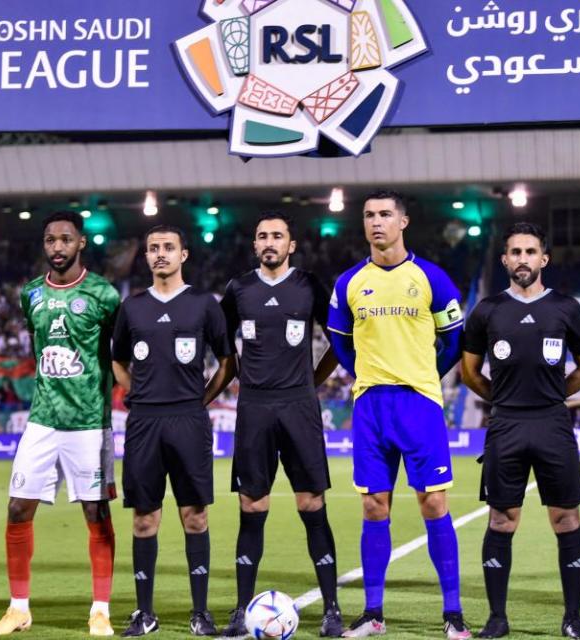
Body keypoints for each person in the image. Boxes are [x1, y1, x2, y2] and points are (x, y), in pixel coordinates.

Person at [327, 190, 471, 639]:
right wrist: (367, 374)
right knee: (373, 505)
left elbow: (452, 341)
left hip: (420, 404)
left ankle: (452, 614)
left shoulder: (431, 277)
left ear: (403, 222)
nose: (376, 222)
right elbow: (340, 343)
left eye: (385, 214)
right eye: (369, 215)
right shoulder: (349, 282)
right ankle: (373, 613)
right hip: (371, 405)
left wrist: (425, 374)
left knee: (434, 502)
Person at [460, 222, 580, 639]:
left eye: (530, 251)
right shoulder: (487, 310)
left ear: (544, 259)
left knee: (566, 517)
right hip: (506, 425)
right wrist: (502, 400)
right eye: (515, 252)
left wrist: (554, 394)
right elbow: (468, 372)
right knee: (502, 519)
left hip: (553, 422)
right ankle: (497, 619)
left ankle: (573, 618)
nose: (522, 259)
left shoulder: (566, 309)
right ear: (505, 259)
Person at [0, 211, 121, 636]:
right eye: (50, 240)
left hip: (89, 422)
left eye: (66, 239)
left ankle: (100, 609)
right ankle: (18, 608)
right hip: (42, 419)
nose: (57, 247)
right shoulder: (31, 295)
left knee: (96, 513)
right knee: (17, 507)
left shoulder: (103, 294)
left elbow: (119, 351)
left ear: (81, 243)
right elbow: (40, 343)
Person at [217, 212, 343, 637]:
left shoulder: (309, 285)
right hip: (254, 408)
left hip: (299, 407)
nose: (269, 242)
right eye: (262, 236)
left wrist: (312, 379)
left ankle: (331, 609)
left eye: (277, 236)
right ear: (255, 245)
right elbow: (221, 346)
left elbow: (340, 341)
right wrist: (241, 375)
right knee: (252, 507)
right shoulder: (238, 289)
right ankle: (240, 609)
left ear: (291, 245)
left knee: (312, 505)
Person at [111, 225, 235, 637]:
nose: (160, 254)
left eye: (168, 248)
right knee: (144, 519)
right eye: (153, 248)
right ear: (146, 257)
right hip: (144, 421)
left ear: (184, 255)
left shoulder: (204, 304)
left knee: (194, 516)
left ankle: (200, 612)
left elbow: (226, 360)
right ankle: (144, 613)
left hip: (189, 419)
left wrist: (201, 398)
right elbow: (117, 362)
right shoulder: (132, 307)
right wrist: (140, 393)